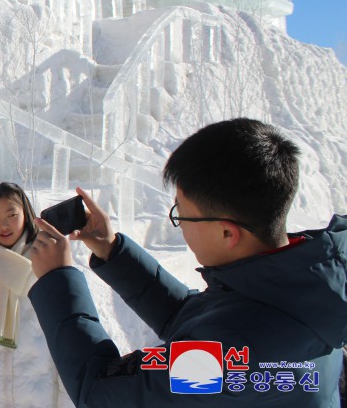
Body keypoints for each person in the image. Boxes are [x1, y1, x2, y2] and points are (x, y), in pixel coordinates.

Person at [29, 118, 347, 406]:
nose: (179, 222)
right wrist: (113, 252)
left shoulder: (234, 352)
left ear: (227, 232)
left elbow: (99, 393)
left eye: (181, 214)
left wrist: (58, 279)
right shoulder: (301, 287)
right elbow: (191, 317)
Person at [0, 182, 72, 407]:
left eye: (11, 214)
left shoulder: (49, 267)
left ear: (26, 215)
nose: (4, 225)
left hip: (39, 397)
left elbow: (67, 344)